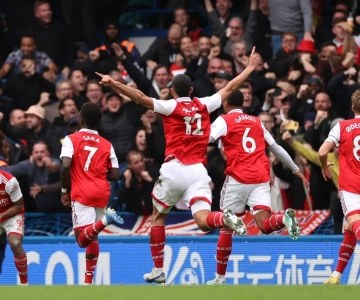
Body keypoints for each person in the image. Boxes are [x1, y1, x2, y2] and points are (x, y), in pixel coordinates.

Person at [96, 47, 260, 284]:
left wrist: (114, 84)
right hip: (198, 171)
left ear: (172, 91)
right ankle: (224, 219)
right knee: (204, 220)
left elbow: (139, 98)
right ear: (191, 91)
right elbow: (230, 88)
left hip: (174, 169)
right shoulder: (204, 104)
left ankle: (159, 270)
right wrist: (250, 68)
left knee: (158, 217)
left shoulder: (171, 106)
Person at [206, 90, 309, 285]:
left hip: (237, 177)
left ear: (226, 103)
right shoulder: (256, 121)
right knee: (265, 224)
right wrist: (295, 168)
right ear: (242, 103)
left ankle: (219, 278)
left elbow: (207, 139)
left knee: (226, 228)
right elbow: (275, 147)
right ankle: (284, 218)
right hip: (261, 178)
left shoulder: (224, 120)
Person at [59, 102, 124, 285]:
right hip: (101, 193)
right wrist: (95, 171)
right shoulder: (107, 144)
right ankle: (88, 282)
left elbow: (65, 165)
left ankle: (106, 220)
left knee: (81, 240)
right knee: (92, 236)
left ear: (80, 119)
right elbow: (115, 174)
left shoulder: (71, 139)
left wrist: (64, 190)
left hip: (81, 193)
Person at [318, 89, 360, 285]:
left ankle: (336, 276)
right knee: (350, 231)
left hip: (351, 188)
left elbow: (322, 151)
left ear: (352, 108)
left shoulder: (342, 126)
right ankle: (336, 276)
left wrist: (324, 165)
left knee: (356, 227)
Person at [0, 170, 28, 284]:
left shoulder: (10, 182)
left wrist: (2, 215)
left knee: (15, 243)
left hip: (11, 215)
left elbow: (18, 205)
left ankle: (24, 283)